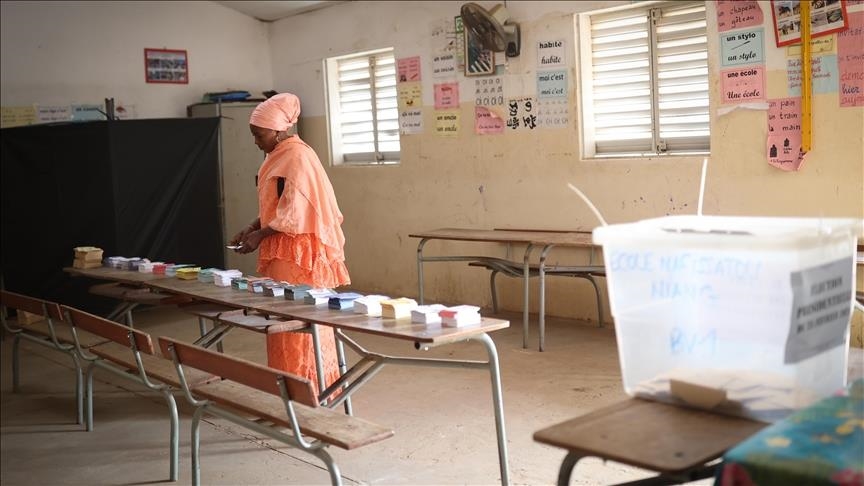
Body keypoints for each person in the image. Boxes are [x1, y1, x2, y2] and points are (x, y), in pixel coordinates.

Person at [229, 92, 350, 390]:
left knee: (301, 321)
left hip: (297, 254)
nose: (256, 141)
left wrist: (261, 234)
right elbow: (278, 205)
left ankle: (310, 387)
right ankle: (288, 387)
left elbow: (296, 211)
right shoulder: (278, 155)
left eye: (259, 135)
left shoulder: (297, 156)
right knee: (280, 320)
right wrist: (253, 226)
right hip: (281, 247)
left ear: (278, 129)